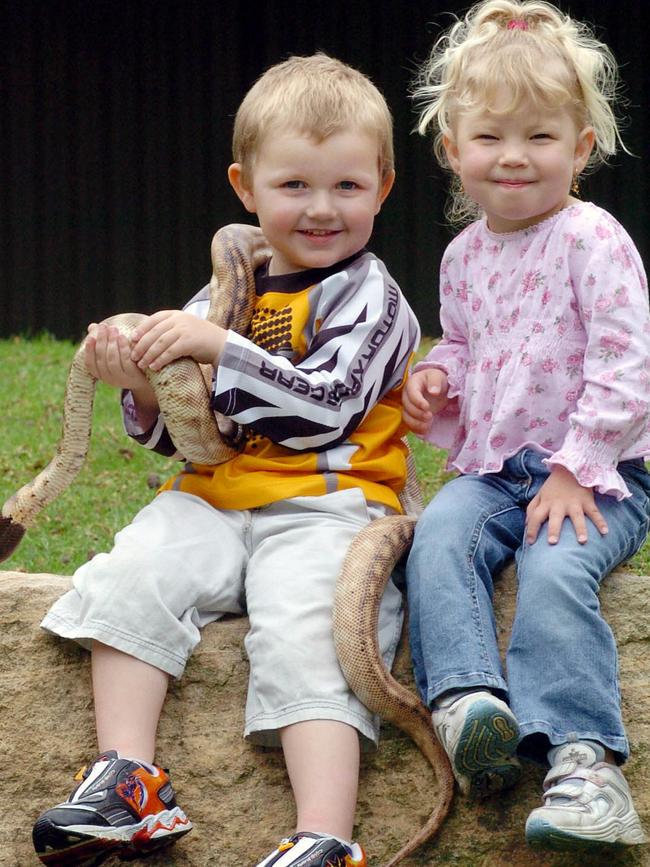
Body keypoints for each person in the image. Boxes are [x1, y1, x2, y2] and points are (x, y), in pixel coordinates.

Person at [32, 53, 420, 867]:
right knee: (136, 569)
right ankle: (127, 781)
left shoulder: (373, 298)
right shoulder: (222, 290)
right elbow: (190, 432)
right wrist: (139, 378)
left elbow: (328, 406)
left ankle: (326, 836)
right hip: (214, 495)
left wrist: (219, 346)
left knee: (306, 627)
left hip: (331, 502)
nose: (321, 209)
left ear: (382, 187)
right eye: (294, 186)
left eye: (347, 187)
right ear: (245, 187)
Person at [403, 0, 650, 853]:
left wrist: (578, 466)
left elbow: (627, 364)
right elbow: (470, 344)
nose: (515, 157)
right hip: (498, 467)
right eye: (492, 138)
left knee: (551, 570)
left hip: (602, 467)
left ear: (581, 150)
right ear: (453, 152)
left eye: (542, 137)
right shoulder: (463, 254)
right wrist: (441, 379)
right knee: (437, 537)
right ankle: (471, 708)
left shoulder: (594, 238)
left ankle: (587, 765)